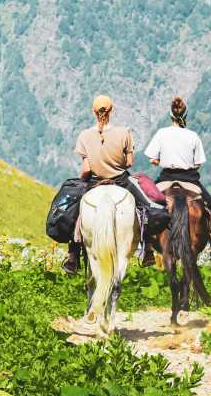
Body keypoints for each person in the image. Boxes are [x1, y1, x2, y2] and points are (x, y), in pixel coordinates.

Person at [63, 95, 153, 275]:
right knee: (146, 208)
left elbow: (86, 169)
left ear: (93, 112)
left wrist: (85, 176)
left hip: (94, 181)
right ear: (111, 111)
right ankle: (147, 249)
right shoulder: (124, 132)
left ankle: (73, 256)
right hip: (120, 180)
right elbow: (129, 163)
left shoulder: (84, 135)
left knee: (73, 213)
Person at [144, 96, 211, 257]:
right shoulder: (192, 135)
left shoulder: (161, 133)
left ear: (170, 115)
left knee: (145, 206)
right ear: (185, 115)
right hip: (190, 180)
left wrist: (159, 160)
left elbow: (152, 159)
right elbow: (199, 163)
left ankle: (146, 247)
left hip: (166, 179)